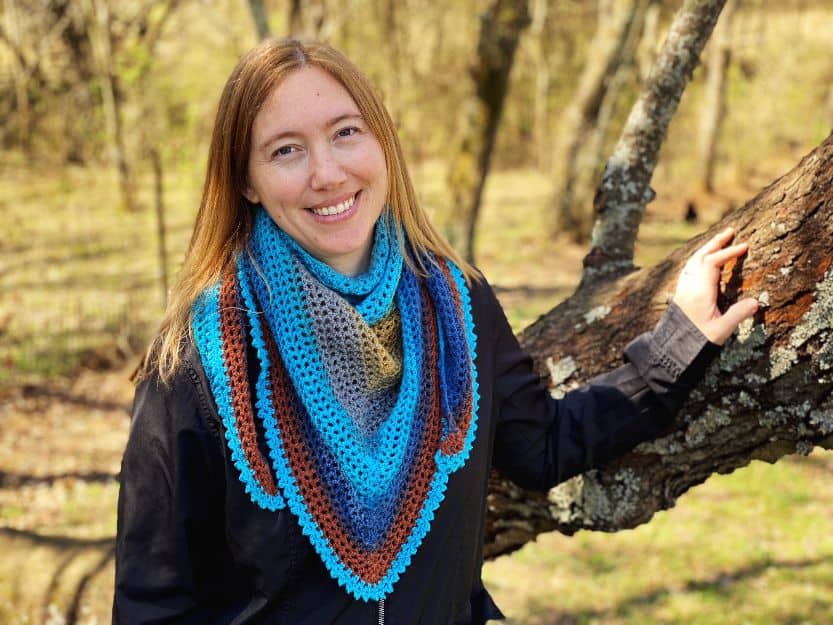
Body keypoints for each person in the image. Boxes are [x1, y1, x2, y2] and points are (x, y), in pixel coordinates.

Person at [113, 38, 758, 625]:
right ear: (247, 182)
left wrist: (681, 340)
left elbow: (543, 446)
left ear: (382, 145)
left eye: (346, 133)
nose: (328, 172)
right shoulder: (199, 362)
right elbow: (154, 605)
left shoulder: (456, 303)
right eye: (286, 150)